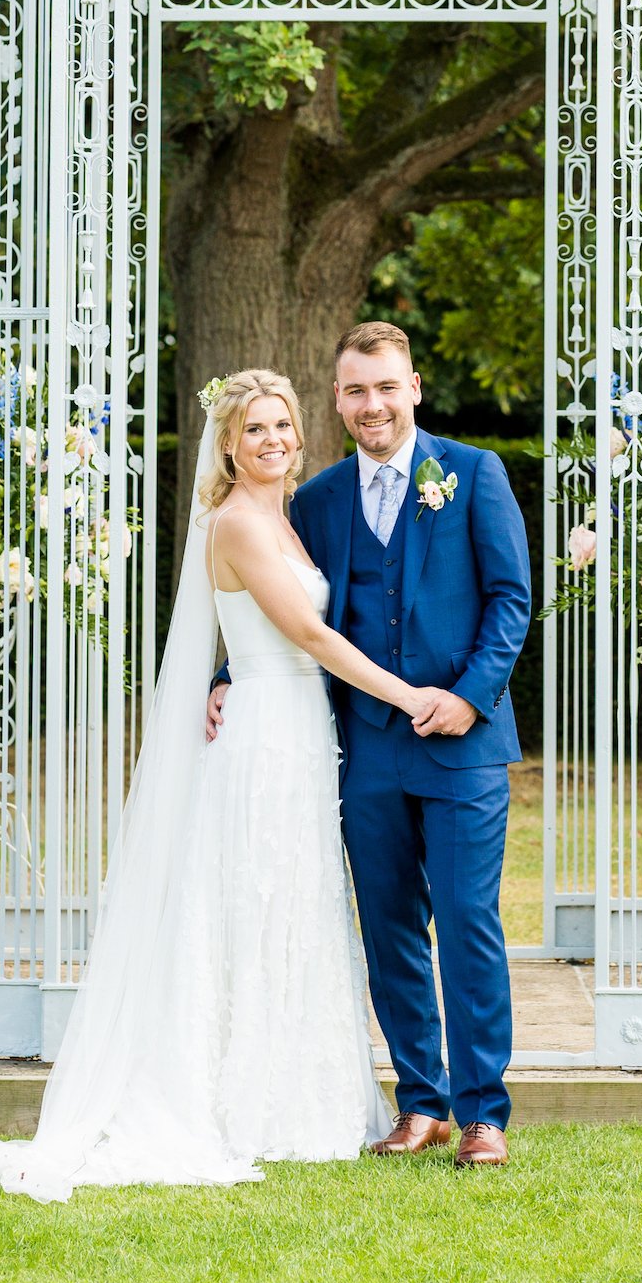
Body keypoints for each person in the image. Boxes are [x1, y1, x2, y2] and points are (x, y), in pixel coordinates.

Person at [0, 368, 436, 1195]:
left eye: (282, 425)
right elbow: (309, 635)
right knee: (252, 903)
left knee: (293, 904)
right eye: (254, 430)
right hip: (265, 745)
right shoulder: (240, 524)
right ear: (227, 443)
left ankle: (291, 1097)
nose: (273, 439)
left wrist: (225, 675)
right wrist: (408, 696)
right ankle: (239, 1104)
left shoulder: (285, 514)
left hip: (296, 734)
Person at [209, 321, 533, 1169]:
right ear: (339, 400)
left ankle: (482, 1113)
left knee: (467, 923)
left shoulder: (472, 474)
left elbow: (510, 601)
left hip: (462, 747)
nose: (372, 405)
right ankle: (419, 1104)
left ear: (414, 387)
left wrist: (467, 698)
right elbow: (284, 610)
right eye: (355, 391)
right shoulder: (313, 501)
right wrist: (225, 674)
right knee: (387, 928)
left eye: (386, 387)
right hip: (367, 749)